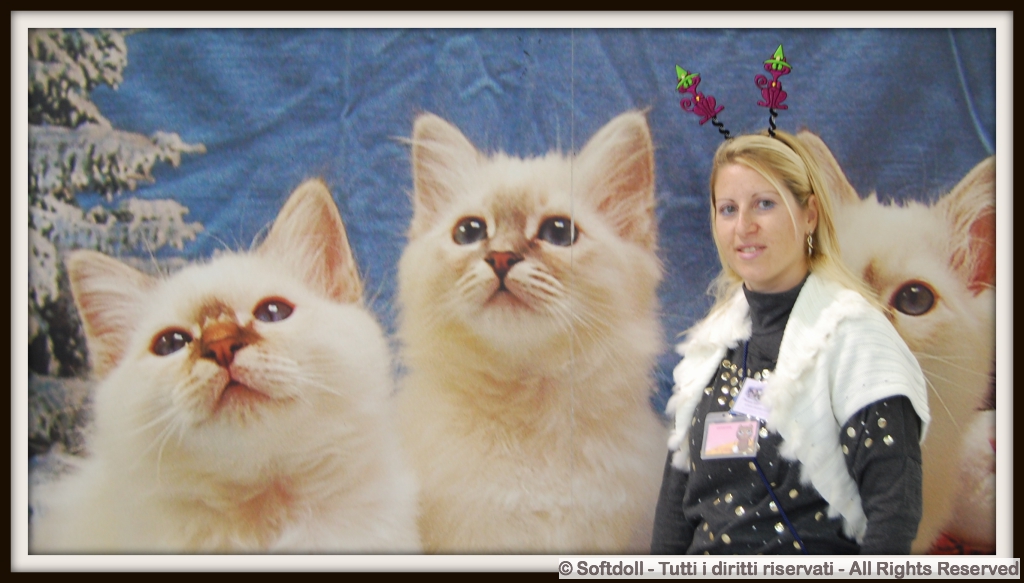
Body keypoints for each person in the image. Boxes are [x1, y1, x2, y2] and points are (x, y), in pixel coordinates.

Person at [651, 130, 930, 554]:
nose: (744, 226)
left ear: (810, 215)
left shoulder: (859, 340)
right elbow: (676, 507)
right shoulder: (710, 350)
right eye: (728, 209)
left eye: (765, 204)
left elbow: (895, 511)